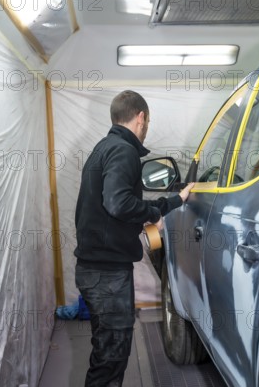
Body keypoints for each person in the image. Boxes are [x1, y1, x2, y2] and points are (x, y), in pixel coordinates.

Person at [74, 90, 194, 386]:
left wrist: (136, 221)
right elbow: (118, 203)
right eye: (148, 121)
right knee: (111, 357)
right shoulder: (123, 150)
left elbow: (109, 209)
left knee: (106, 350)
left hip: (95, 270)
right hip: (107, 274)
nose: (147, 126)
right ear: (141, 118)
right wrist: (159, 209)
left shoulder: (104, 147)